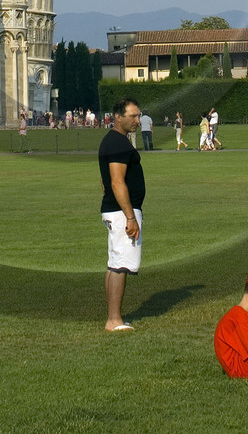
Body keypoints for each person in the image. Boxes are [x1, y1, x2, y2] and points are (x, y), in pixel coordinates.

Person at [99, 98, 145, 331]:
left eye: (138, 116)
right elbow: (116, 182)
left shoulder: (113, 141)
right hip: (121, 212)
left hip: (114, 210)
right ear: (118, 117)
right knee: (121, 266)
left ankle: (113, 317)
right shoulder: (117, 143)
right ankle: (114, 320)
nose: (137, 120)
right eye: (132, 116)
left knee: (114, 263)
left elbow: (104, 181)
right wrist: (130, 216)